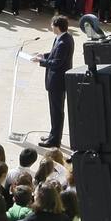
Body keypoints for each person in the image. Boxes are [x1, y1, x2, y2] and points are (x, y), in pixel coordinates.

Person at [37, 14, 74, 149]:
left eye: (52, 25)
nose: (51, 27)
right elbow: (54, 54)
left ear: (57, 27)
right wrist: (44, 55)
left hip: (57, 82)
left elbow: (57, 63)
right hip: (56, 81)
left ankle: (54, 140)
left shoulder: (64, 42)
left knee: (57, 111)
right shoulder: (63, 38)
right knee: (54, 111)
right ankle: (53, 135)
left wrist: (41, 62)